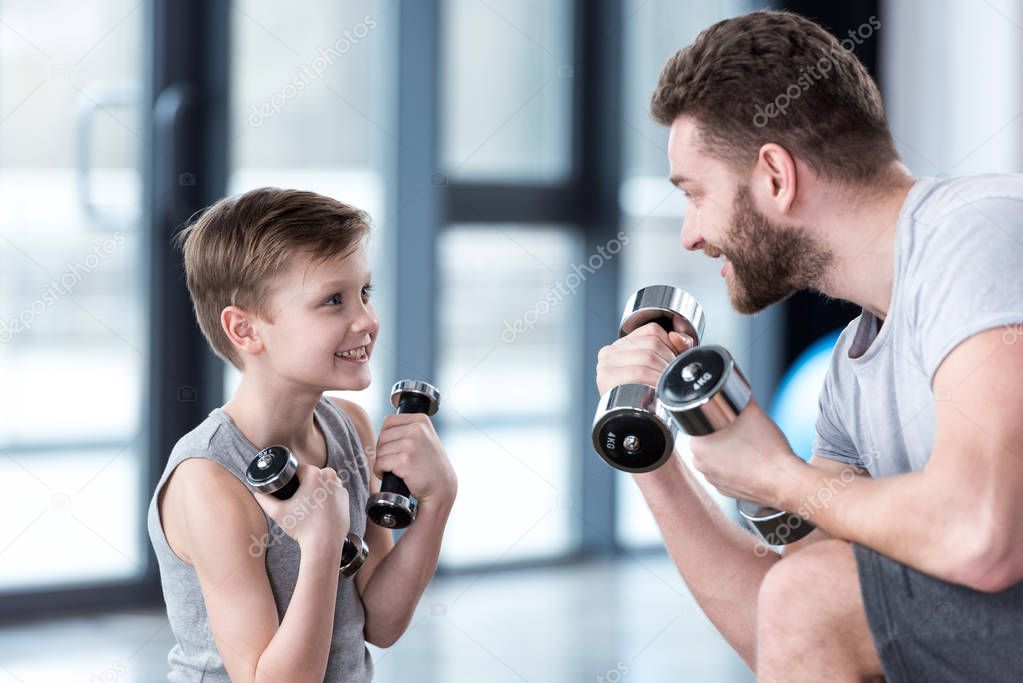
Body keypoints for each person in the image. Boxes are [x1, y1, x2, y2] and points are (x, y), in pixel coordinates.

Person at [595, 10, 1023, 682]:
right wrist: (653, 458)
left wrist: (778, 475)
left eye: (694, 194)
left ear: (774, 175)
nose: (689, 234)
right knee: (810, 586)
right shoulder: (851, 374)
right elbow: (785, 628)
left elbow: (981, 535)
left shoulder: (976, 234)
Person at [146, 187, 457, 682]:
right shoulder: (209, 480)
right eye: (333, 301)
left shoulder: (350, 427)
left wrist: (438, 500)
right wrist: (321, 540)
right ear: (246, 330)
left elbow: (380, 620)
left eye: (365, 292)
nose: (367, 320)